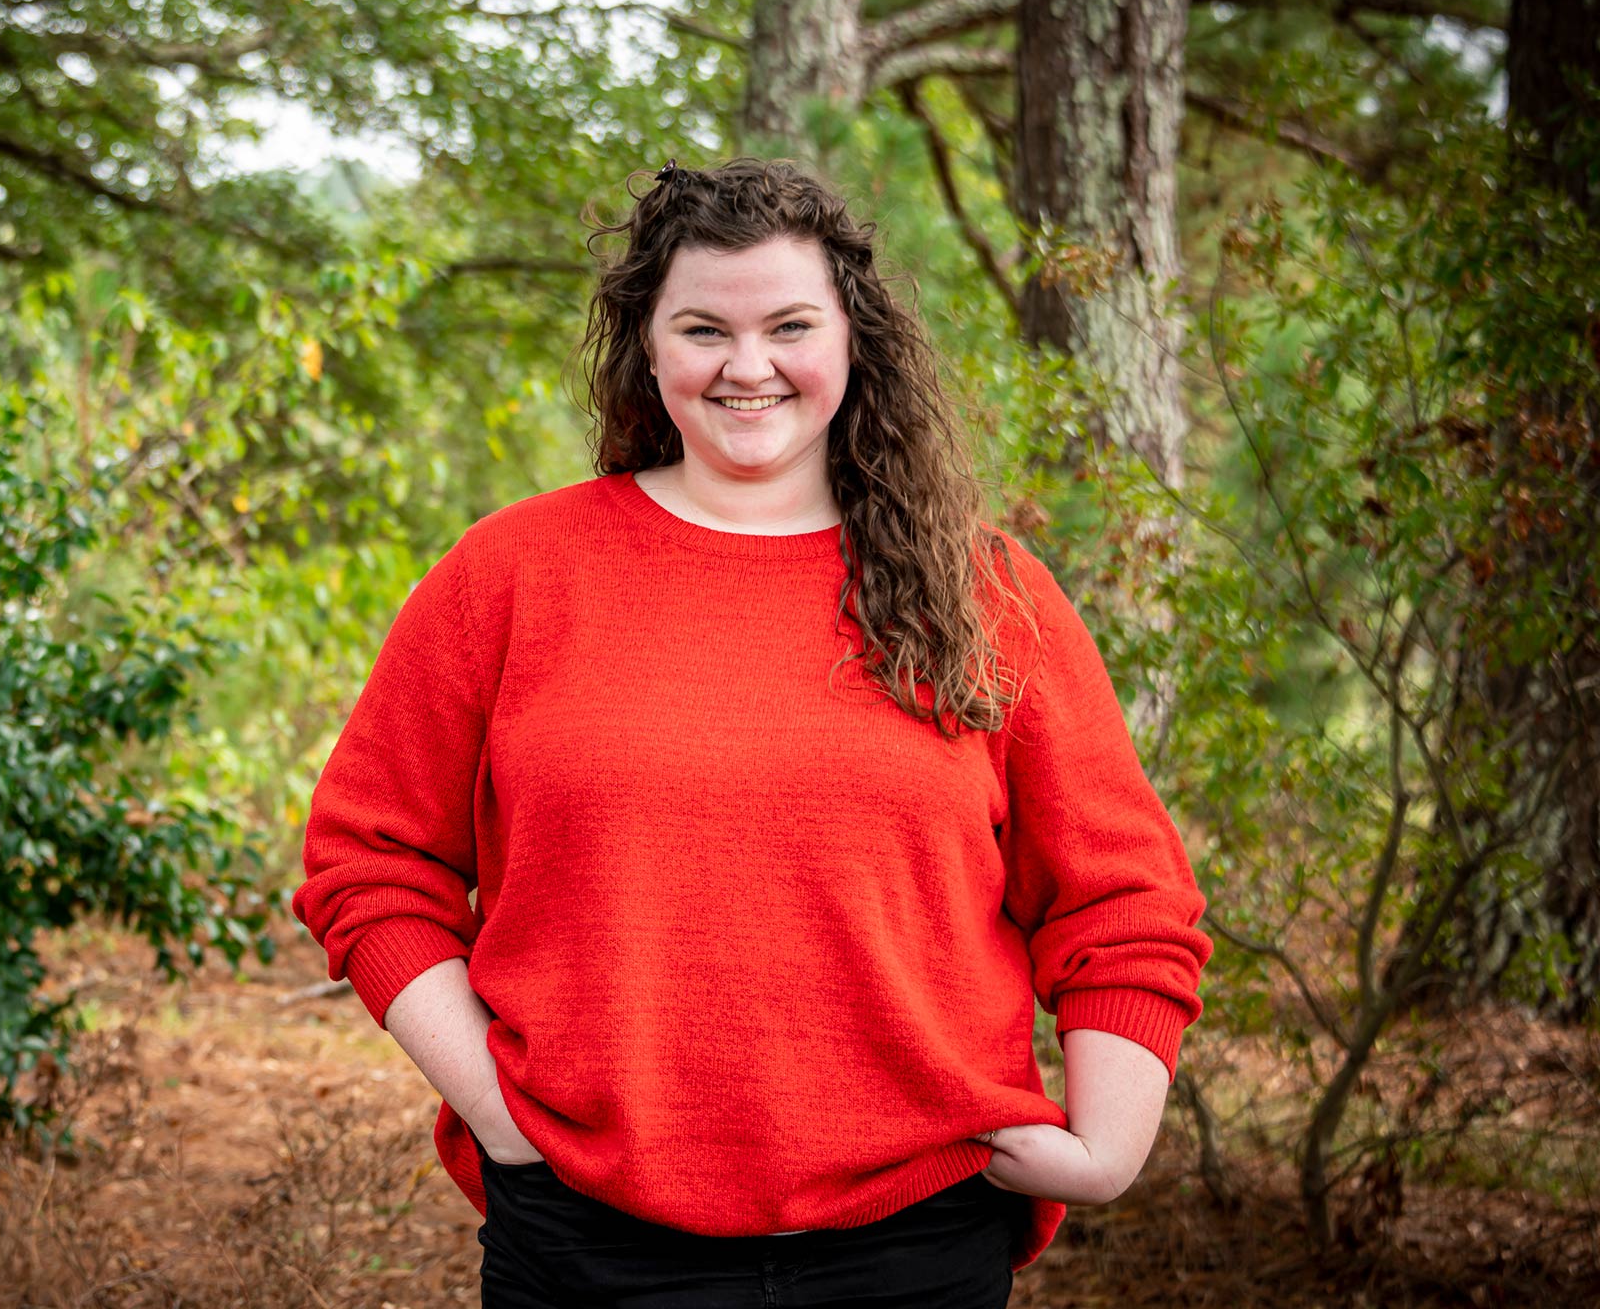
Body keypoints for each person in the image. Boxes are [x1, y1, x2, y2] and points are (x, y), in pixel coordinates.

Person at [288, 155, 1213, 1308]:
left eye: (788, 323)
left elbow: (1120, 896)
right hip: (590, 1238)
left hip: (911, 1244)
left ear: (852, 336)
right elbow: (369, 854)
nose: (748, 365)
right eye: (702, 328)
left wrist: (1111, 1143)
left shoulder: (984, 594)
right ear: (647, 345)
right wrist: (488, 1101)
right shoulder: (516, 574)